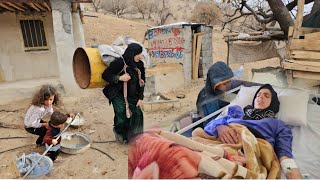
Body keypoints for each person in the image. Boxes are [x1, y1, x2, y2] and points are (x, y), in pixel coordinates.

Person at [204, 84, 302, 179]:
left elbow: (284, 153)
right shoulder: (237, 115)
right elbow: (207, 129)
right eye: (258, 95)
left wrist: (292, 173)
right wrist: (219, 126)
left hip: (250, 151)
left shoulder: (277, 124)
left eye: (266, 96)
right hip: (219, 145)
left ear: (273, 102)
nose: (260, 97)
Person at [102, 43, 145, 144]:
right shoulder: (119, 63)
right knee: (121, 112)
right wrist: (120, 78)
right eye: (138, 54)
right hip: (117, 92)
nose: (140, 56)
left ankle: (134, 138)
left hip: (132, 94)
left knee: (137, 113)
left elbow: (142, 81)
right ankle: (119, 132)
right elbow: (105, 75)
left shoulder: (140, 64)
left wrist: (140, 98)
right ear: (132, 54)